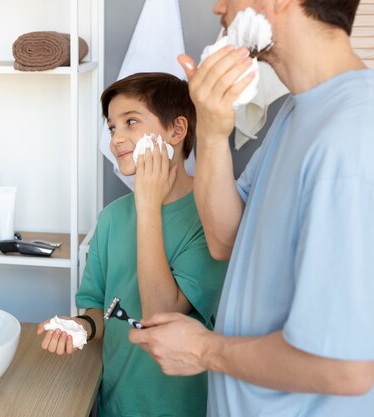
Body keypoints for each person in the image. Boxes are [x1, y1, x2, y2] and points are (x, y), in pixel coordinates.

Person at [129, 1, 374, 416]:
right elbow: (226, 239)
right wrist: (209, 130)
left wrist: (204, 350)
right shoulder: (299, 111)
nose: (218, 6)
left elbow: (346, 369)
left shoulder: (350, 139)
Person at [37, 72, 228, 417]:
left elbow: (160, 315)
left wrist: (147, 205)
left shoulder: (211, 219)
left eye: (131, 122)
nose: (116, 139)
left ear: (177, 130)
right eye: (112, 128)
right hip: (115, 403)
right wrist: (81, 327)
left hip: (180, 408)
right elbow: (100, 307)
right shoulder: (111, 218)